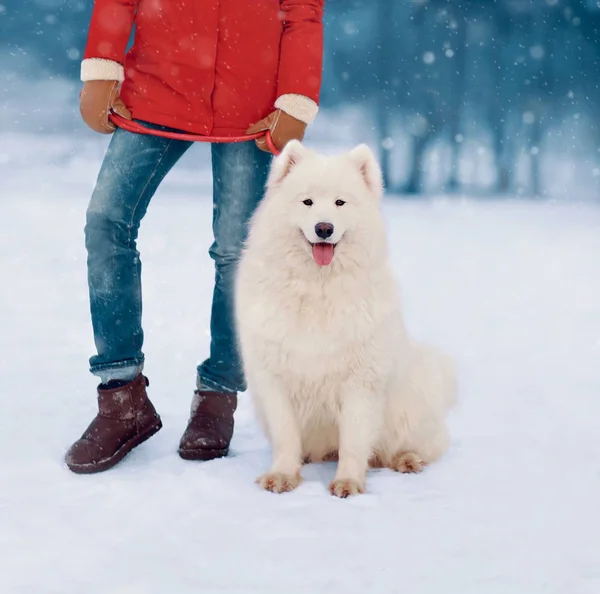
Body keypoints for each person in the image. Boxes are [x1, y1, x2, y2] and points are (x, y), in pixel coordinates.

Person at [65, 0, 324, 474]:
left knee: (236, 253)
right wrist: (103, 68)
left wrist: (295, 99)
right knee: (105, 222)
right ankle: (121, 399)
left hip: (250, 108)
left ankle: (218, 395)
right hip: (157, 90)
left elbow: (302, 13)